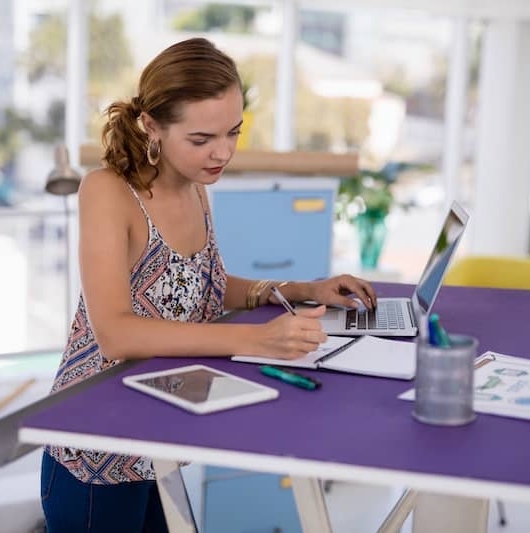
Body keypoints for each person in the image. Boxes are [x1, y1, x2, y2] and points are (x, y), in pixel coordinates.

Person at [40, 37, 377, 532]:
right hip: (97, 450)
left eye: (232, 133)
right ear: (152, 126)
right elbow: (116, 332)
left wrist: (305, 289)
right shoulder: (107, 191)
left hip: (155, 440)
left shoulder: (195, 185)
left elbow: (203, 287)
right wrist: (257, 338)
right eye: (201, 140)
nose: (222, 152)